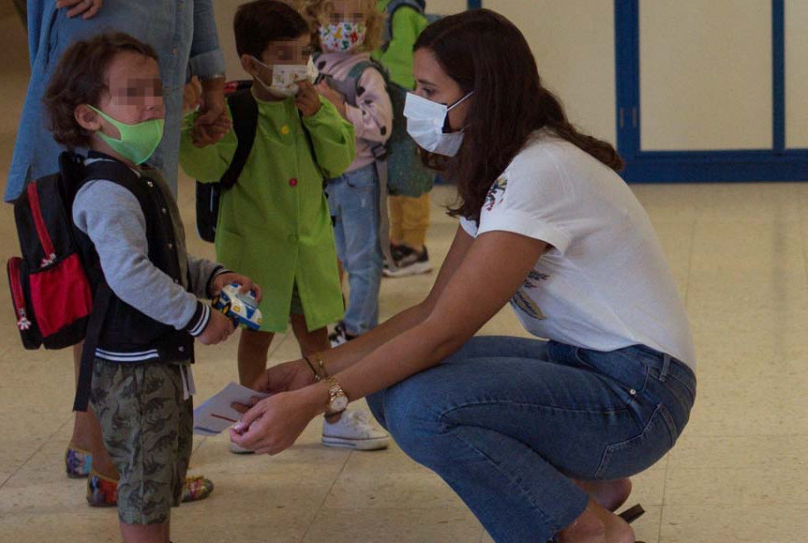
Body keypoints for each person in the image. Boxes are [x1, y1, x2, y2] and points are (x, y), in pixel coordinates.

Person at [230, 9, 696, 543]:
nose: (417, 104)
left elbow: (446, 331)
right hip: (587, 364)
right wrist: (316, 369)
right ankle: (583, 490)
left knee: (423, 408)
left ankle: (588, 529)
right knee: (389, 384)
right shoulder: (506, 161)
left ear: (484, 94)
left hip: (638, 396)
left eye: (430, 89)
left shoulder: (540, 171)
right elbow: (431, 310)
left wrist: (317, 401)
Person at [5, 0, 229, 500]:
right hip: (105, 58)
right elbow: (127, 273)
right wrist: (197, 318)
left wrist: (209, 73)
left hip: (155, 53)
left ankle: (101, 448)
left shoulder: (147, 113)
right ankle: (113, 463)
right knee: (98, 254)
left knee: (144, 229)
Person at [45, 32, 257, 542]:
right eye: (132, 93)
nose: (153, 105)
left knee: (160, 471)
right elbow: (129, 274)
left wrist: (213, 277)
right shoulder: (106, 192)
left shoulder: (139, 176)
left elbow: (163, 259)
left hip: (157, 359)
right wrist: (201, 318)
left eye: (156, 89)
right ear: (88, 117)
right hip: (131, 369)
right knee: (144, 485)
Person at [179, 0, 388, 452]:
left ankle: (334, 414)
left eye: (303, 53)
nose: (298, 66)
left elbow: (339, 159)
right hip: (252, 259)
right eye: (284, 55)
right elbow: (205, 166)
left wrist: (319, 114)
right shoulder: (235, 114)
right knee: (254, 336)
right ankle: (252, 422)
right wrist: (196, 130)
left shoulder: (314, 105)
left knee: (317, 338)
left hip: (309, 252)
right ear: (253, 63)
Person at [294, 0, 392, 347]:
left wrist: (341, 108)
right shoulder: (313, 65)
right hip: (327, 179)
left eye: (355, 19)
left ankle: (359, 330)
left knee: (363, 260)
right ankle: (345, 323)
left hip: (359, 179)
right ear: (316, 22)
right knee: (335, 254)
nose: (346, 26)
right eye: (336, 18)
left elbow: (381, 126)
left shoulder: (365, 73)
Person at [372, 0, 436, 277]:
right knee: (396, 178)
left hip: (402, 99)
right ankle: (399, 241)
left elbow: (406, 59)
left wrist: (393, 89)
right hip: (391, 100)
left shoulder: (402, 11)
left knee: (412, 179)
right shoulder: (385, 9)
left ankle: (414, 247)